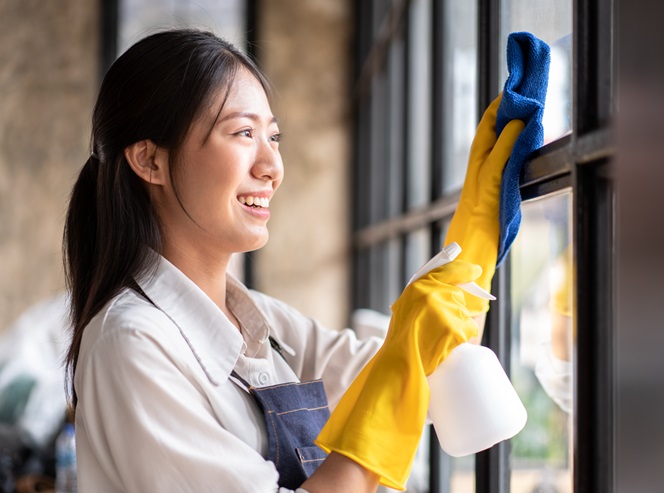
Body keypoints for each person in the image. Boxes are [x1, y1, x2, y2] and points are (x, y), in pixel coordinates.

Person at [63, 28, 507, 493]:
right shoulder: (133, 344)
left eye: (273, 136)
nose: (272, 166)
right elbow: (394, 386)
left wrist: (476, 228)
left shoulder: (260, 321)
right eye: (243, 132)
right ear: (149, 160)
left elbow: (426, 373)